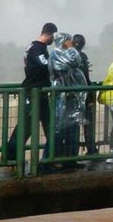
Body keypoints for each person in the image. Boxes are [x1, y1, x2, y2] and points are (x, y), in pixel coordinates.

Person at [6, 22, 57, 164]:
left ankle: (51, 157)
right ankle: (11, 156)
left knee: (49, 127)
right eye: (53, 36)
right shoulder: (37, 48)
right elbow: (45, 66)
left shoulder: (33, 47)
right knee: (25, 127)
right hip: (34, 93)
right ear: (50, 34)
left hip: (39, 93)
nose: (53, 40)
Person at [49, 32, 88, 169]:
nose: (70, 42)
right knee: (59, 130)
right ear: (63, 41)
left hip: (71, 99)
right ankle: (51, 162)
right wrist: (71, 48)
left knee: (73, 130)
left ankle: (71, 160)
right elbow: (75, 62)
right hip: (62, 98)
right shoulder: (56, 53)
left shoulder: (64, 53)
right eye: (68, 40)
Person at [71, 34, 99, 155]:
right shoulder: (82, 56)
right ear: (83, 45)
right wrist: (91, 93)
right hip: (84, 97)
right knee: (88, 124)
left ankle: (72, 153)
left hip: (71, 97)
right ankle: (91, 149)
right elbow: (85, 78)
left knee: (74, 126)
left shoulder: (67, 56)